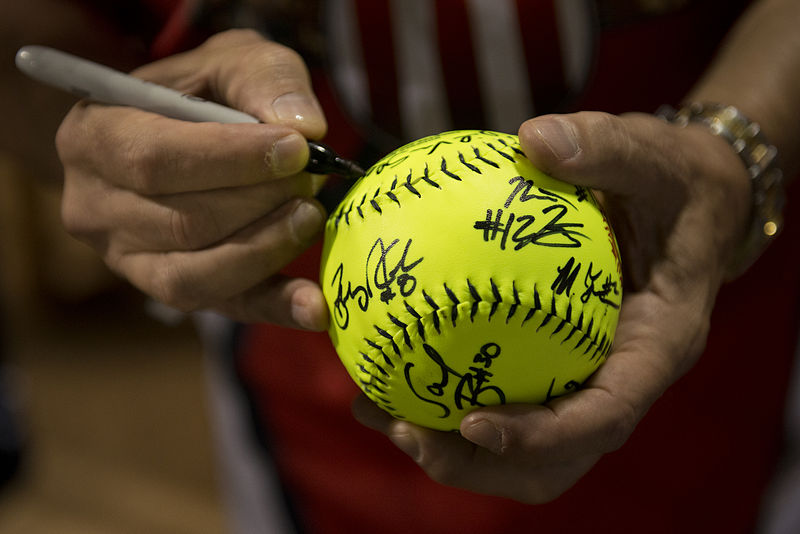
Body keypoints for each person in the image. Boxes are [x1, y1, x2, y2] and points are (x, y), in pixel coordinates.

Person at [45, 0, 800, 532]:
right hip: (299, 335)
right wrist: (119, 159)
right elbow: (31, 36)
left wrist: (732, 150)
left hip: (720, 294)